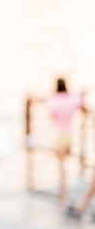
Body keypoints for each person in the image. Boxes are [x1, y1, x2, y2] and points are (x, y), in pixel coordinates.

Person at [47, 77, 85, 208]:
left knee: (61, 167)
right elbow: (81, 104)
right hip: (70, 135)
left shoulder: (54, 100)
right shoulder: (72, 98)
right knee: (66, 164)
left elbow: (52, 116)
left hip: (59, 135)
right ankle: (64, 193)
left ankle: (63, 196)